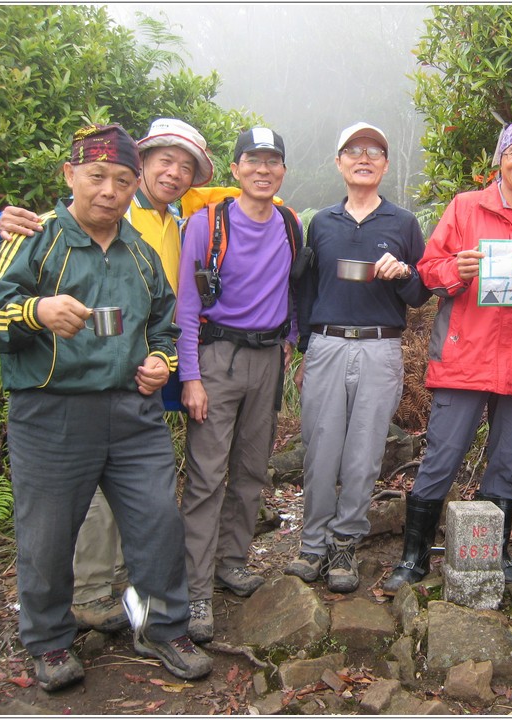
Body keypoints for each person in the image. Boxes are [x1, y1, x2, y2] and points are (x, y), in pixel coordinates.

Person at [0, 123, 212, 691]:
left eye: (122, 180)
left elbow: (165, 322)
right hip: (52, 415)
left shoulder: (141, 254)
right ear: (70, 176)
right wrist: (35, 312)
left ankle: (160, 627)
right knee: (47, 534)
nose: (109, 190)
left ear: (134, 187)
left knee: (157, 522)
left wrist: (160, 361)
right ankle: (51, 641)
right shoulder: (34, 238)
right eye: (97, 176)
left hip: (134, 414)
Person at [382, 120, 512, 595]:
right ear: (499, 160)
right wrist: (456, 269)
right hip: (465, 354)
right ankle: (415, 555)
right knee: (442, 456)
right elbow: (428, 271)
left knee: (507, 461)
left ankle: (496, 556)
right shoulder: (467, 207)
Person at [285, 122, 431, 593]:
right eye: (353, 150)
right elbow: (307, 290)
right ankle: (312, 545)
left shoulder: (404, 223)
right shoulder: (321, 223)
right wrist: (306, 349)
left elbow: (418, 295)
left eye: (374, 151)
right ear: (339, 162)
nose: (363, 157)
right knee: (320, 449)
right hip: (327, 344)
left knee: (365, 454)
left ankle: (346, 542)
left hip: (380, 346)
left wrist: (403, 270)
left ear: (385, 165)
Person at [176, 127, 300, 643]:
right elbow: (186, 305)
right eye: (253, 160)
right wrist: (191, 377)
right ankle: (196, 591)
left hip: (267, 359)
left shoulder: (290, 224)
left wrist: (290, 337)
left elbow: (294, 285)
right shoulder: (206, 224)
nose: (263, 169)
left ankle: (232, 561)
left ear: (283, 171)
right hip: (217, 358)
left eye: (273, 160)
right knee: (207, 476)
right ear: (236, 169)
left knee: (251, 470)